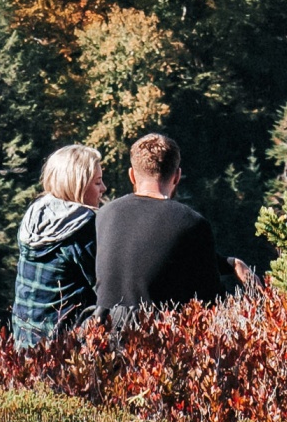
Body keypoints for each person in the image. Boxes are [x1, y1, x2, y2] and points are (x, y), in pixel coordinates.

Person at [93, 132, 256, 322]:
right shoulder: (191, 223)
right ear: (177, 176)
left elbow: (148, 251)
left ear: (132, 175)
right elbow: (211, 300)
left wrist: (229, 263)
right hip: (158, 340)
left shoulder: (104, 215)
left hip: (102, 337)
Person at [11, 144, 103, 344]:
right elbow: (104, 286)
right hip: (62, 346)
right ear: (77, 185)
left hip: (24, 340)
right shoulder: (82, 225)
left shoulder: (36, 214)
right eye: (97, 182)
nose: (103, 189)